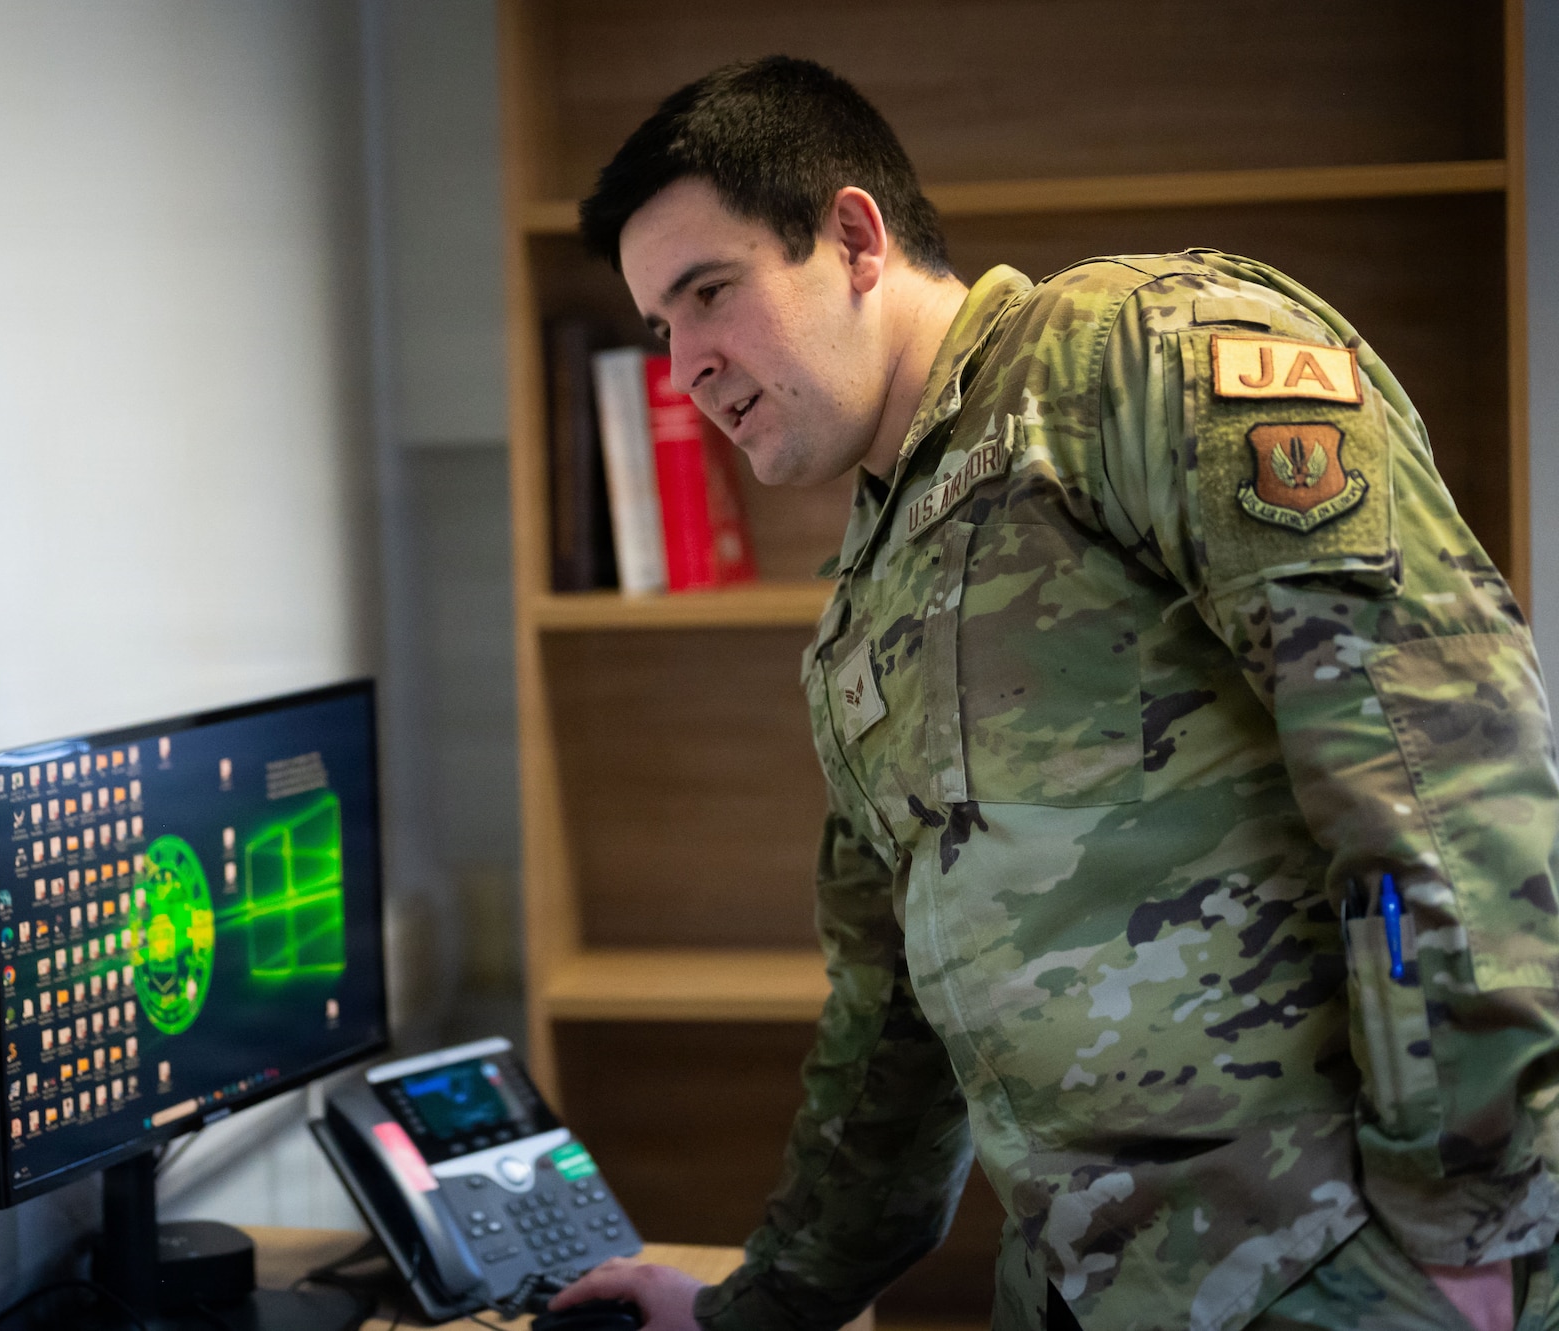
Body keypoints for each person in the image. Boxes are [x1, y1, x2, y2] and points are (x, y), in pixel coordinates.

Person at [547, 57, 1559, 1331]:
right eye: (660, 327)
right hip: (1076, 1287)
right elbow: (891, 1026)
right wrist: (753, 1308)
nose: (686, 363)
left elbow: (1440, 772)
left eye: (710, 292)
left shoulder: (1132, 360)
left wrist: (1474, 1225)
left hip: (1335, 1268)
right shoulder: (871, 583)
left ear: (853, 239)